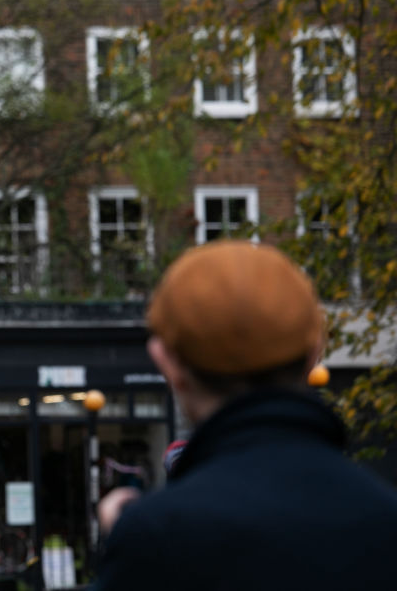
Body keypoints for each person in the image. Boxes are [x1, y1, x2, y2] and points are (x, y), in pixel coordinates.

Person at [94, 240, 397, 590]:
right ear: (314, 352)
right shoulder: (385, 522)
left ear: (167, 363)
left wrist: (127, 546)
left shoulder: (155, 537)